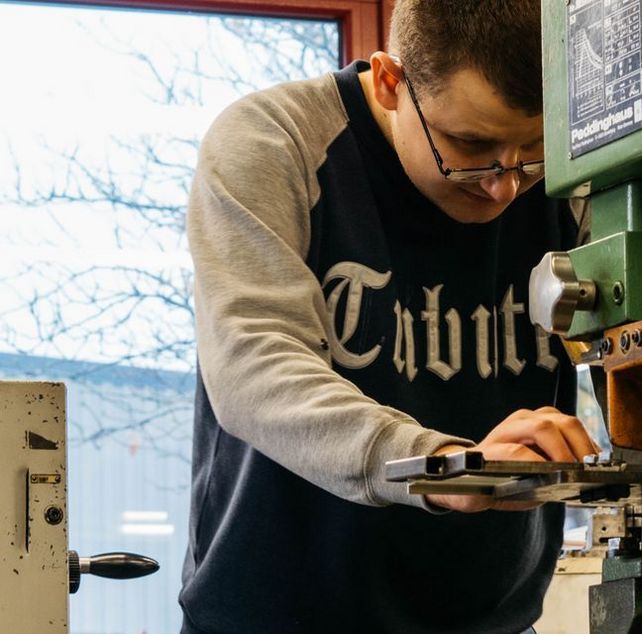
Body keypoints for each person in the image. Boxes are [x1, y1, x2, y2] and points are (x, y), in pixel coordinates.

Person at [180, 2, 595, 632]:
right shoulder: (274, 143)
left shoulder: (569, 174)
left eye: (533, 150)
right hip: (277, 617)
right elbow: (254, 366)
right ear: (389, 80)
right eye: (471, 147)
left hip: (491, 621)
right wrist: (441, 466)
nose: (504, 185)